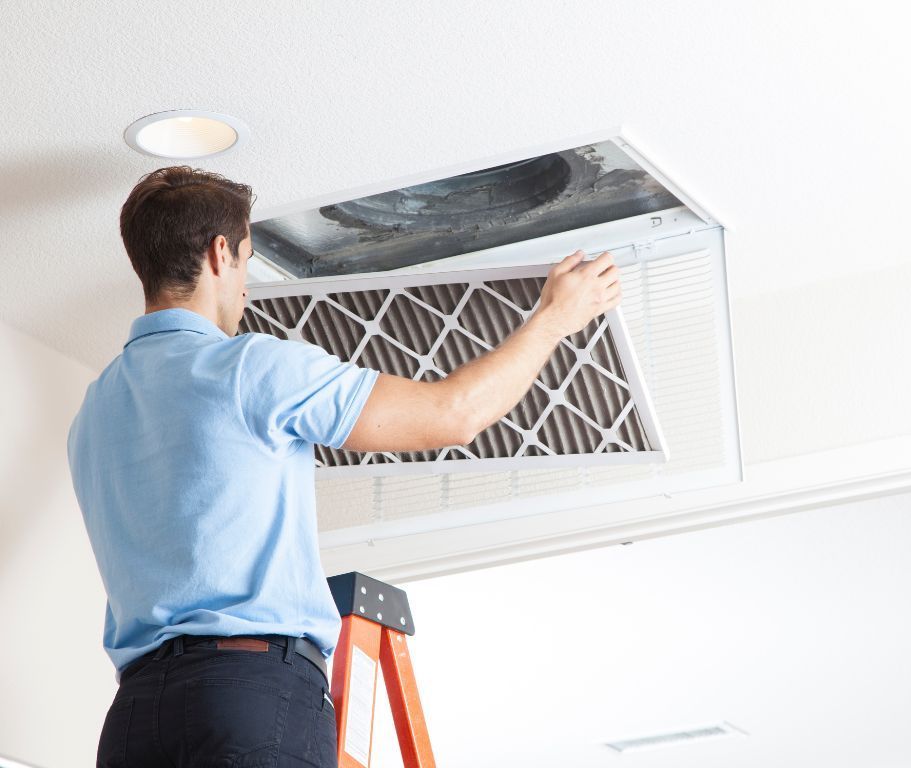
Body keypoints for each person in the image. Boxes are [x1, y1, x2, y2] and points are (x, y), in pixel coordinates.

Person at [67, 166, 621, 767]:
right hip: (246, 696)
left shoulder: (95, 411)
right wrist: (553, 321)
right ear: (220, 253)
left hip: (133, 723)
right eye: (248, 260)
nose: (247, 286)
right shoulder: (252, 367)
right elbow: (452, 413)